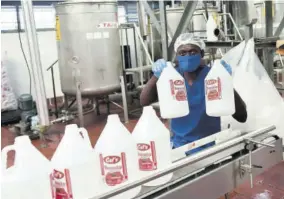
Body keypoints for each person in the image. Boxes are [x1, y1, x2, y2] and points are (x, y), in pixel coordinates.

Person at [140, 33, 247, 154]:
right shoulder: (171, 78)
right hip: (179, 147)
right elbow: (144, 101)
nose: (188, 56)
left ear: (201, 54)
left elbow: (242, 116)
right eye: (182, 53)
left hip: (210, 145)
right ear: (177, 56)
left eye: (193, 52)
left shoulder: (213, 77)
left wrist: (226, 83)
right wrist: (156, 76)